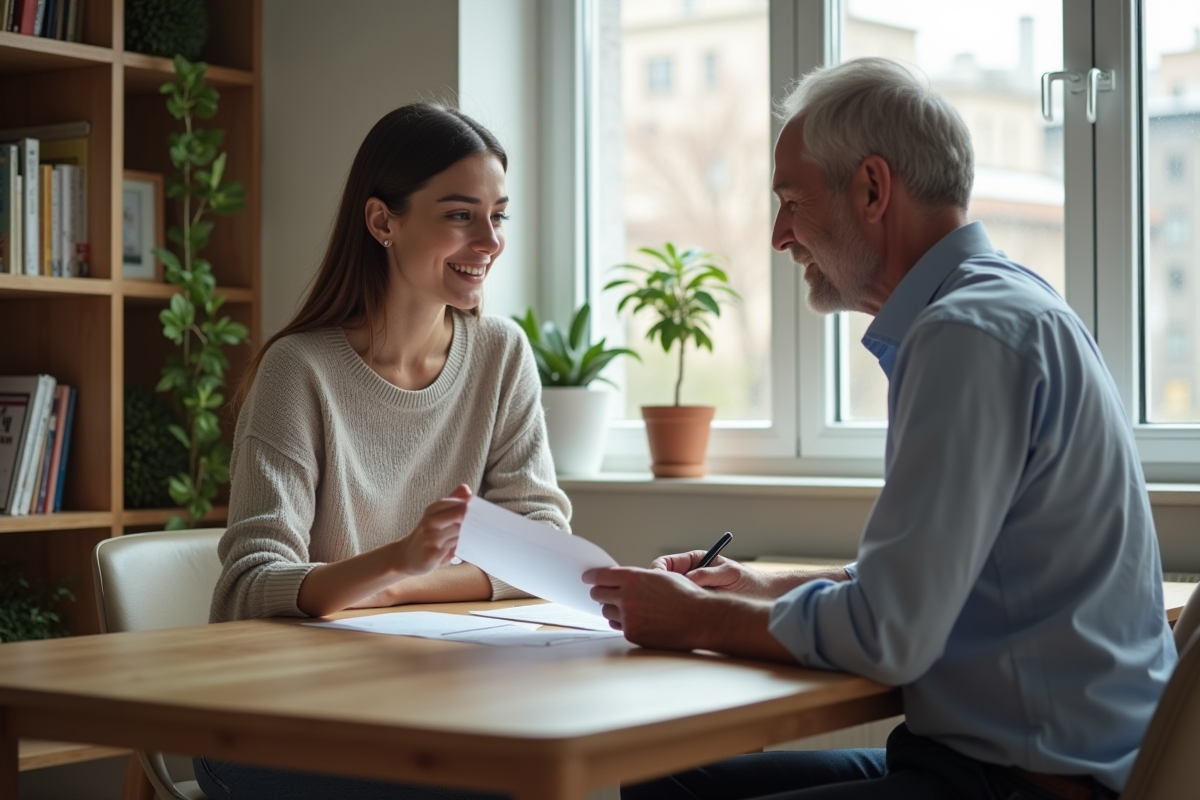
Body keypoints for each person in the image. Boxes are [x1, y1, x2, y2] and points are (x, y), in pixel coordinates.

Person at [586, 57, 1176, 800]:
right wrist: (754, 587)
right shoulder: (1003, 305)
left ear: (872, 188)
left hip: (1027, 785)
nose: (778, 235)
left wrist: (700, 618)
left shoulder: (967, 335)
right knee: (664, 786)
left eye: (792, 200)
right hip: (996, 763)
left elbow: (890, 634)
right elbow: (927, 587)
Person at [197, 102, 568, 799]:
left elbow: (545, 548)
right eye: (461, 214)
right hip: (277, 728)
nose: (490, 239)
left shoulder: (501, 355)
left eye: (499, 214)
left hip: (429, 708)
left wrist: (395, 584)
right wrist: (398, 560)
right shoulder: (298, 370)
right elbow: (247, 589)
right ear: (382, 222)